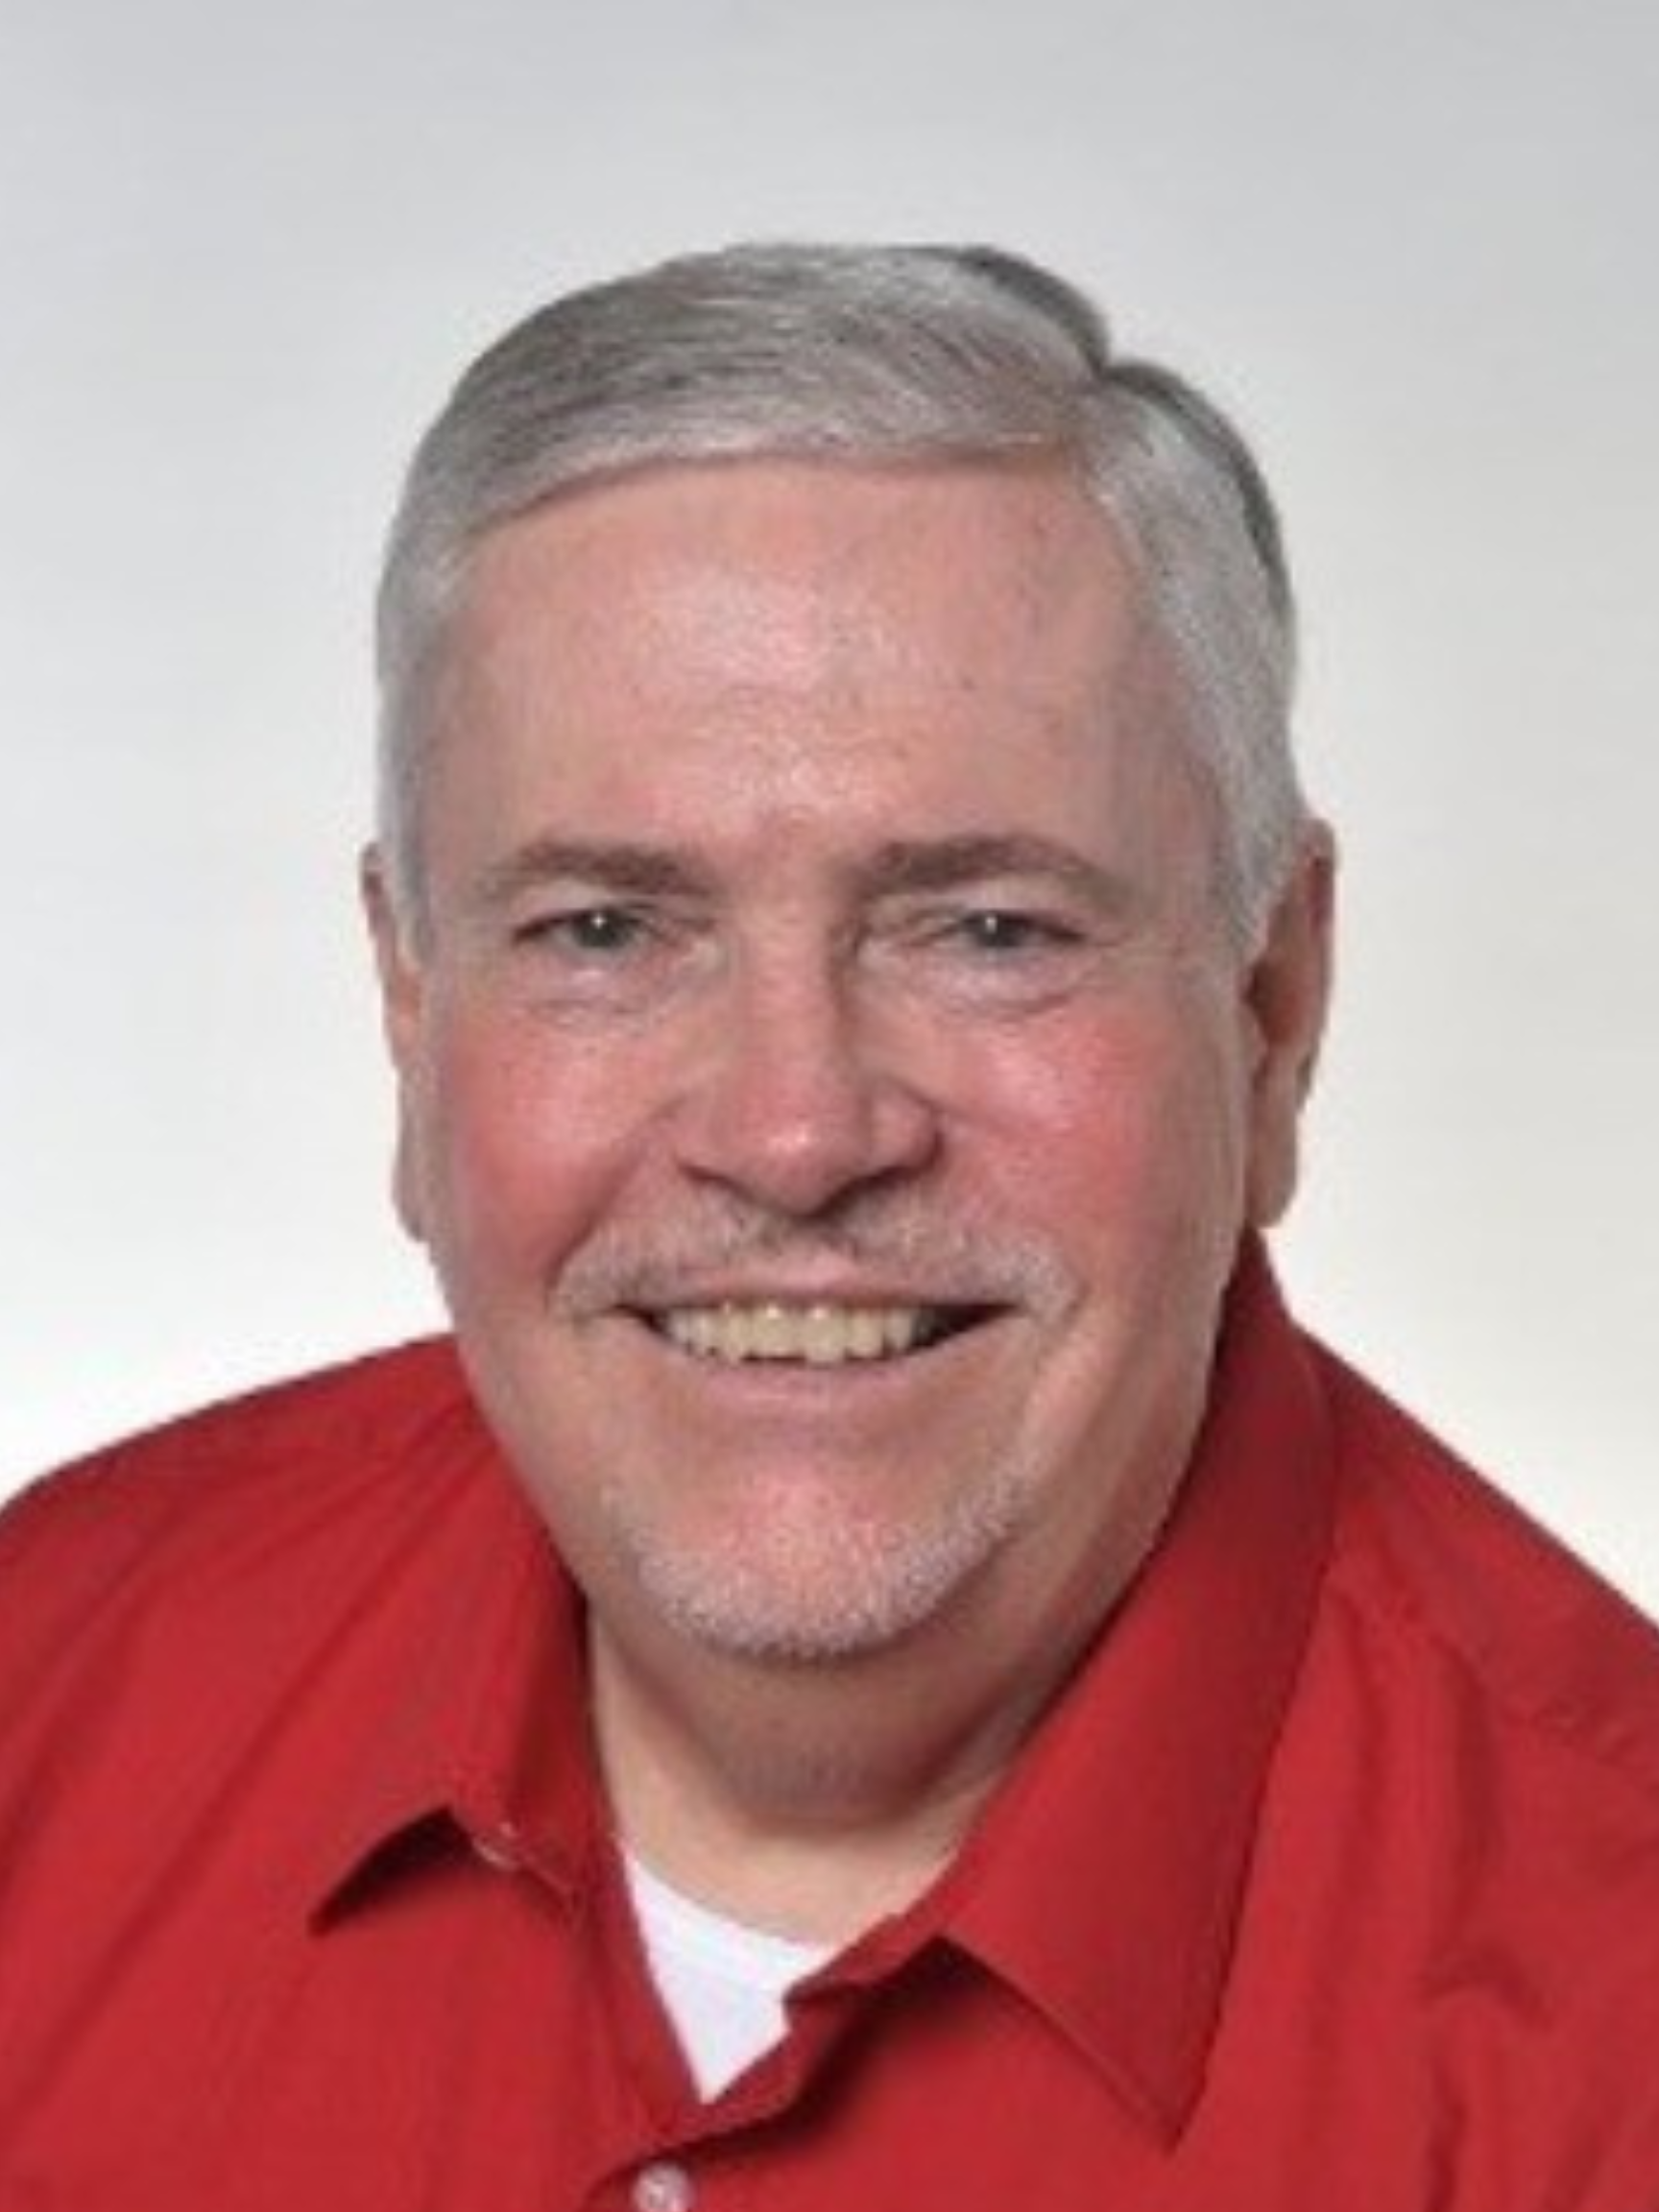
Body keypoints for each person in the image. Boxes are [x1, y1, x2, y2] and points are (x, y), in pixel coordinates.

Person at [2, 243, 1656, 2211]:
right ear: (409, 1010)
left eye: (989, 929)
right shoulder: (45, 1693)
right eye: (604, 930)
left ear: (1272, 1007)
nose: (796, 1131)